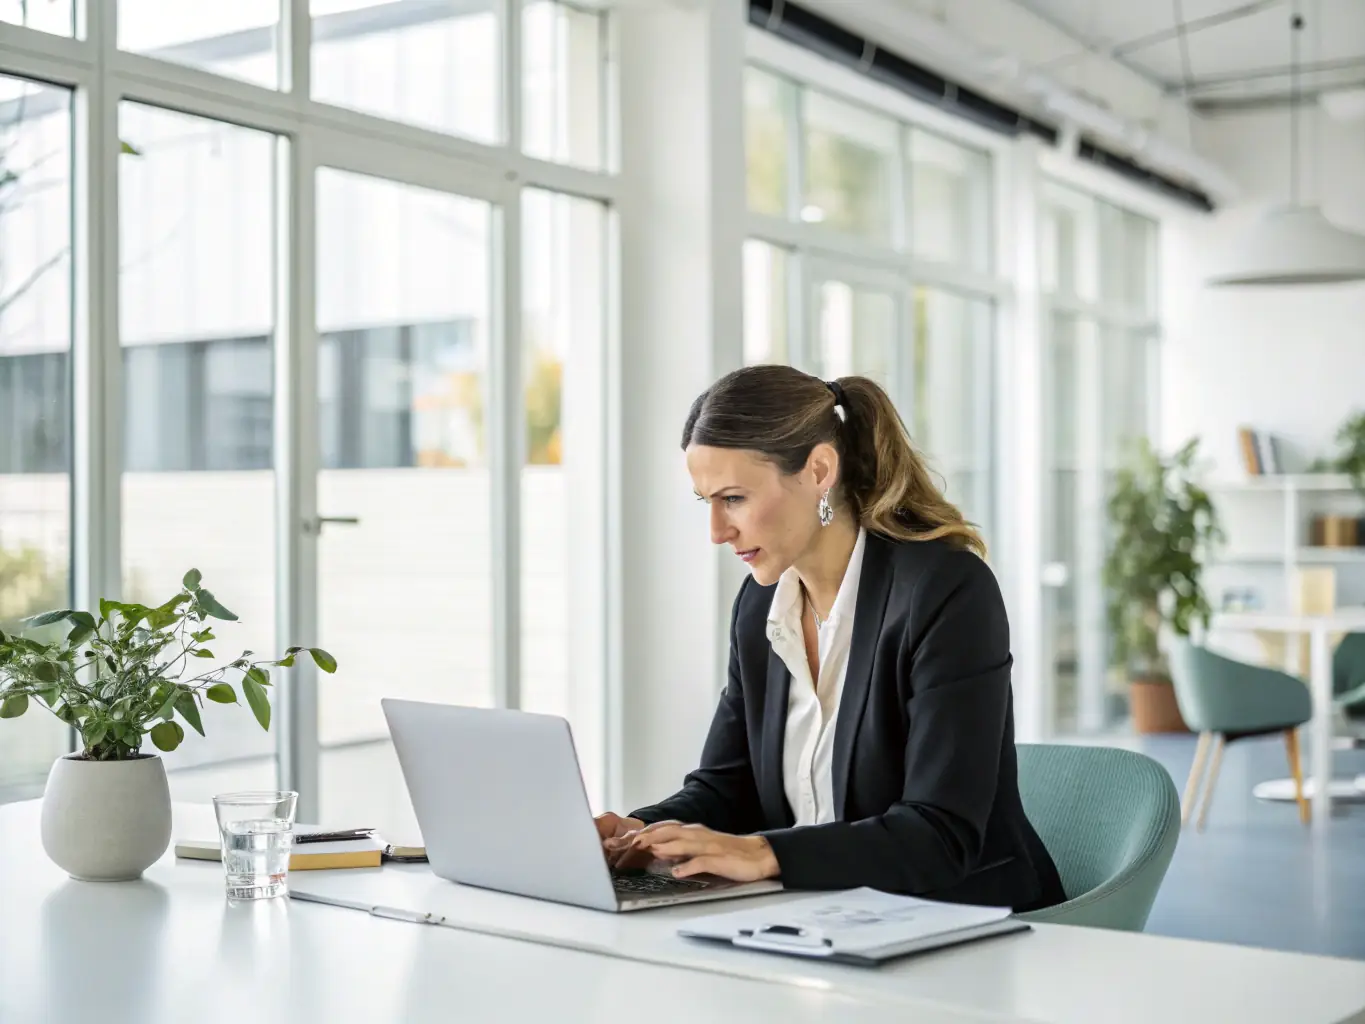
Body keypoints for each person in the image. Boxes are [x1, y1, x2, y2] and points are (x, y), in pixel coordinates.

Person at [594, 365, 1065, 912]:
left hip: (961, 919)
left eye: (735, 499)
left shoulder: (945, 592)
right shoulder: (759, 609)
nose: (718, 532)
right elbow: (727, 789)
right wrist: (639, 830)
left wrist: (766, 854)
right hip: (823, 919)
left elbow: (940, 834)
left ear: (819, 470)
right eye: (708, 503)